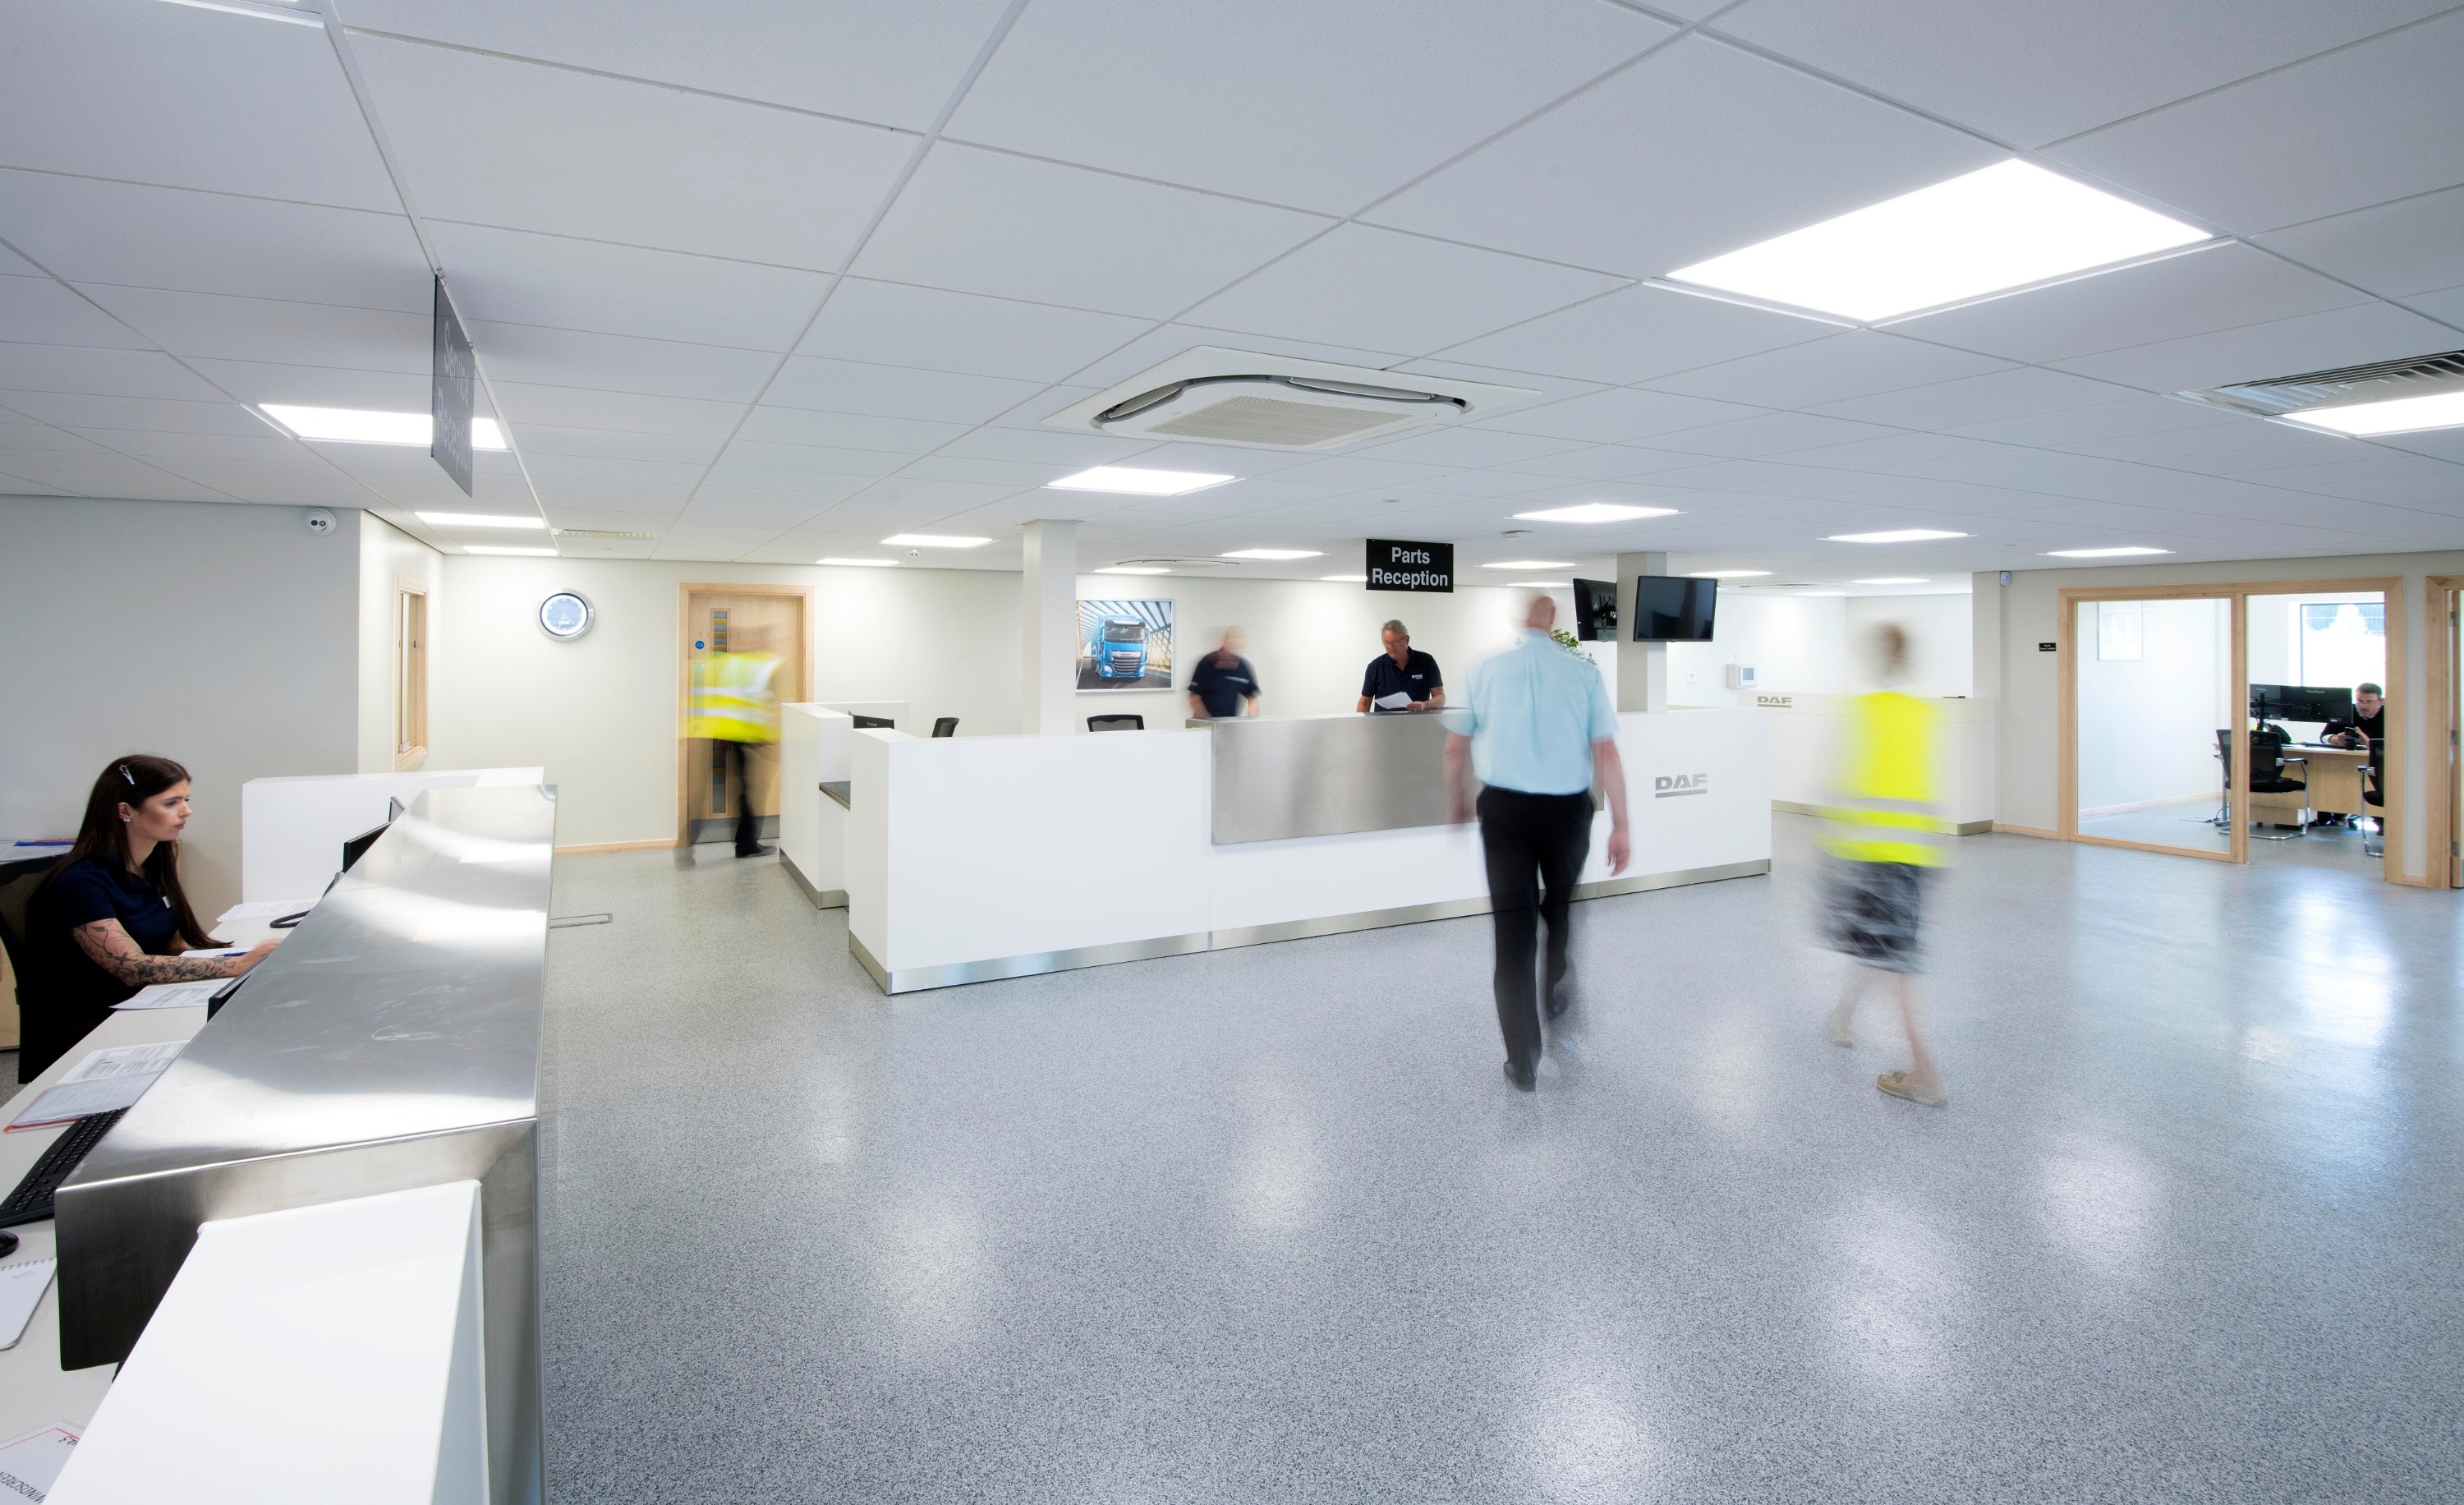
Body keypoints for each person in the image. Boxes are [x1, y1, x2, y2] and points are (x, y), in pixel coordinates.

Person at [1442, 594, 1629, 1093]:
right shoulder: (1583, 673)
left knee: (1513, 931)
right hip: (1567, 813)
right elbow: (1606, 751)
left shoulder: (1484, 669)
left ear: (1520, 622)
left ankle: (1522, 1059)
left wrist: (1456, 802)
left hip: (1505, 812)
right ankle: (1556, 995)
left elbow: (1455, 747)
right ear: (1554, 622)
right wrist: (1622, 824)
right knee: (1560, 909)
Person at [24, 756, 278, 1077]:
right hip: (94, 1027)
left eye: (186, 800)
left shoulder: (153, 860)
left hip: (146, 1004)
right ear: (125, 811)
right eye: (171, 803)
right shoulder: (81, 882)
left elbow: (171, 943)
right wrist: (236, 965)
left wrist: (245, 958)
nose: (186, 811)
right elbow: (131, 967)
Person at [1819, 624, 1954, 1107]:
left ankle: (1925, 1074)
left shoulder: (1864, 711)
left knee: (1899, 968)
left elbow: (1847, 781)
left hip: (1875, 858)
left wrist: (1828, 847)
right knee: (1878, 950)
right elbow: (1925, 783)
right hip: (1913, 857)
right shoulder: (1923, 713)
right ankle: (1842, 1015)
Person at [687, 631, 784, 857]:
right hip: (742, 736)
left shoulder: (730, 666)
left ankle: (739, 843)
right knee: (746, 791)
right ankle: (745, 845)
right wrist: (768, 739)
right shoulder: (756, 667)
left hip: (728, 734)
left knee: (739, 791)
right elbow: (754, 705)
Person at [1357, 620, 1444, 713]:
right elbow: (1364, 703)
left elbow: (1440, 697)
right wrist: (1361, 721)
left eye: (1394, 642)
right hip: (1384, 722)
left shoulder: (1426, 661)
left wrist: (1424, 705)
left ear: (1407, 640)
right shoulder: (1375, 667)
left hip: (1418, 720)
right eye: (1386, 643)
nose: (1390, 647)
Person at [1187, 628, 1262, 719]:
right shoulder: (1206, 663)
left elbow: (1252, 699)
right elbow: (1194, 699)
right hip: (1203, 722)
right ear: (1224, 643)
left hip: (1229, 722)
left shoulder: (1243, 667)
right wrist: (1211, 722)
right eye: (1232, 648)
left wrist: (1250, 721)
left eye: (1239, 649)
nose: (1234, 655)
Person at [2324, 682, 2384, 749]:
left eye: (2369, 702)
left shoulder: (2389, 715)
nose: (2364, 706)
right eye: (2360, 701)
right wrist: (2337, 739)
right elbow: (2324, 737)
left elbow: (2391, 747)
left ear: (2380, 701)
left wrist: (2368, 743)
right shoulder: (2345, 710)